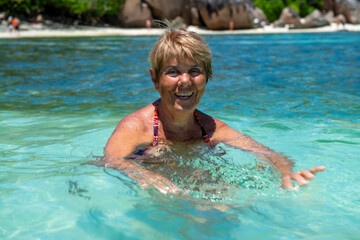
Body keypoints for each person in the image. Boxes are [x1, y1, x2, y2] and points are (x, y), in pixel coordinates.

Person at [88, 27, 325, 194]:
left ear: (207, 76)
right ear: (154, 78)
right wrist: (145, 175)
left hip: (191, 185)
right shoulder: (136, 127)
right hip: (150, 192)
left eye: (194, 71)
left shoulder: (210, 128)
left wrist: (285, 171)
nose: (185, 81)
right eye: (173, 72)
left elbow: (269, 154)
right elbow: (110, 160)